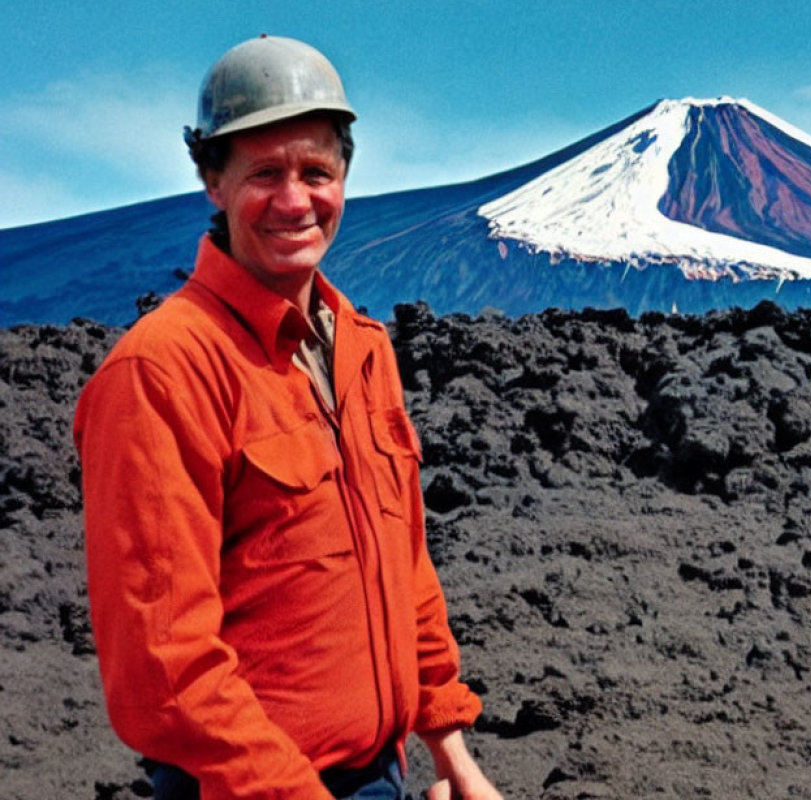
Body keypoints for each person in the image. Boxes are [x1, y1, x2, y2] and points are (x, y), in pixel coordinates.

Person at [74, 34, 502, 800]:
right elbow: (163, 669)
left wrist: (454, 755)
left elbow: (408, 575)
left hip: (379, 776)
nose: (295, 200)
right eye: (264, 173)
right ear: (212, 179)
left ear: (345, 175)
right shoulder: (164, 370)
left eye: (316, 171)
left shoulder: (364, 351)